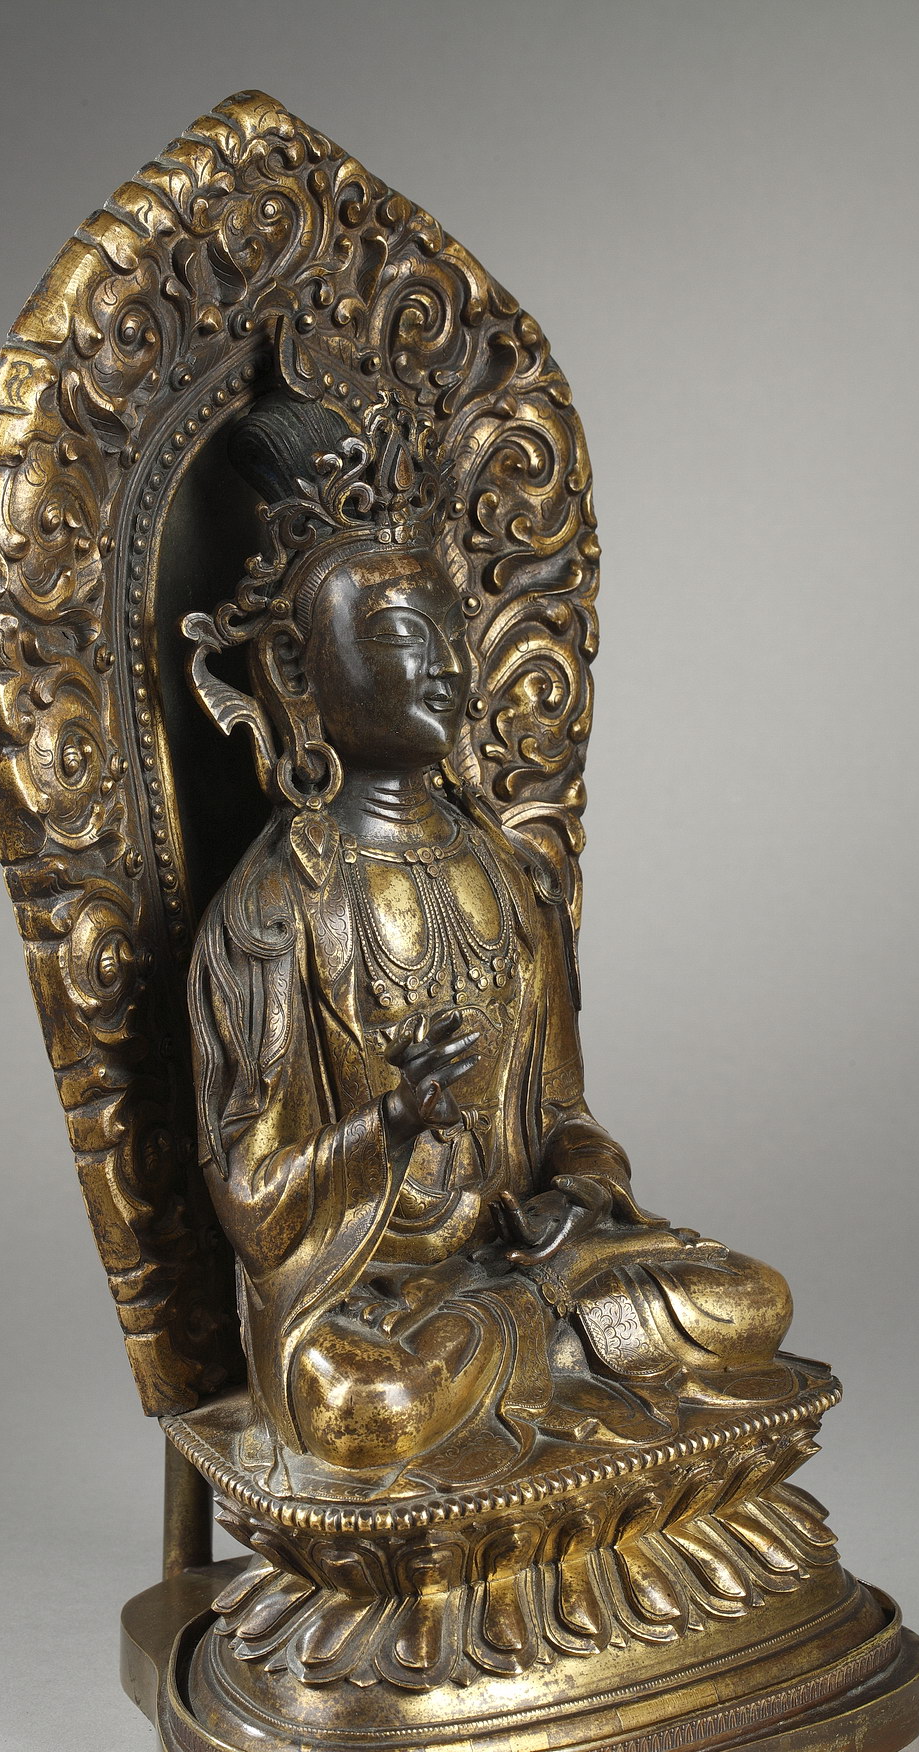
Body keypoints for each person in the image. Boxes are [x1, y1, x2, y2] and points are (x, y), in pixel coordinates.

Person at [185, 392, 795, 1497]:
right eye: (394, 637)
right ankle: (559, 1376)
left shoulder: (506, 877)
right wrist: (389, 1122)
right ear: (296, 673)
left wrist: (577, 1190)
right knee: (368, 1408)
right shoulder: (274, 911)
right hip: (369, 1305)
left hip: (527, 1265)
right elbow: (253, 1204)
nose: (442, 666)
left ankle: (545, 1357)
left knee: (748, 1301)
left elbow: (565, 1116)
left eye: (447, 634)